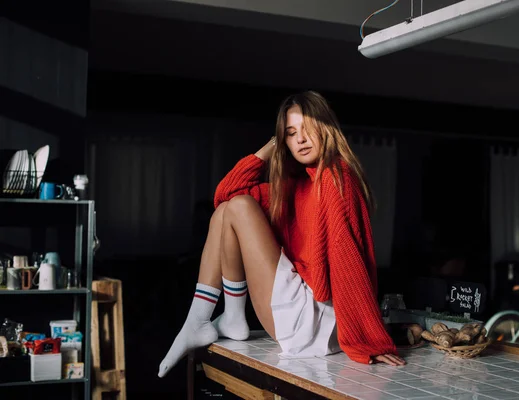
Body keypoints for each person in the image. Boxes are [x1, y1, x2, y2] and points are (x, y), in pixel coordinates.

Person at [158, 91, 405, 378]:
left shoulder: (335, 175)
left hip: (315, 321)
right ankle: (227, 318)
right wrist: (271, 146)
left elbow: (347, 258)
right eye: (290, 133)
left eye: (307, 129)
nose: (299, 139)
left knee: (239, 207)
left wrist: (370, 339)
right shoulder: (295, 185)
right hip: (302, 313)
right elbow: (224, 195)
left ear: (325, 128)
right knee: (228, 209)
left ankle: (204, 320)